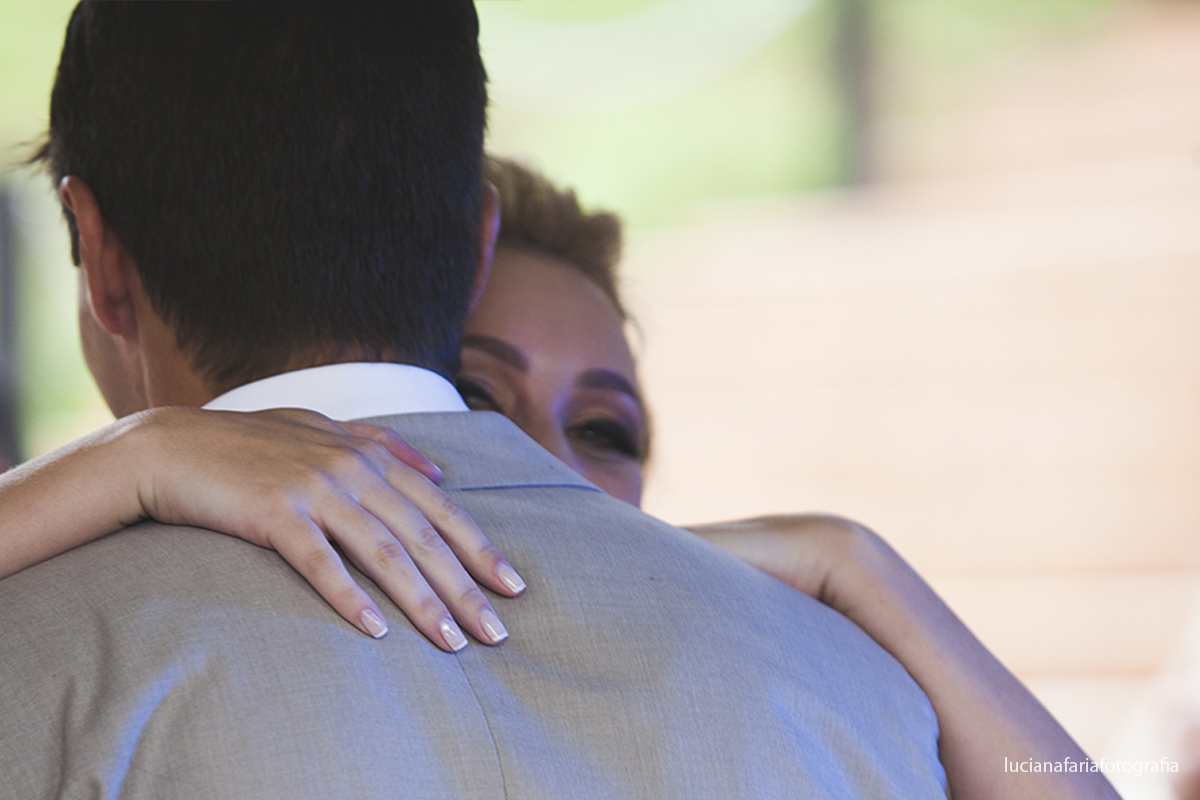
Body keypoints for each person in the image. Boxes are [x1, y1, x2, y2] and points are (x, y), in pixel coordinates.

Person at [0, 3, 949, 798]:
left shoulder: (39, 666)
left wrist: (128, 456)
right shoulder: (864, 689)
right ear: (478, 244)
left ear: (103, 259)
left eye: (603, 428)